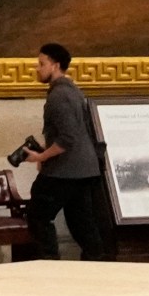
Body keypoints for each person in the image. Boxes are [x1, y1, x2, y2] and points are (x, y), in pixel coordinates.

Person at [20, 44, 113, 261]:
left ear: (55, 65)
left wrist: (41, 156)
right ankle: (96, 265)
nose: (37, 68)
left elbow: (67, 138)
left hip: (64, 170)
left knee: (38, 215)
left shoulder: (58, 96)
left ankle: (48, 263)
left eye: (42, 64)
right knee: (81, 222)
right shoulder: (73, 91)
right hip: (84, 169)